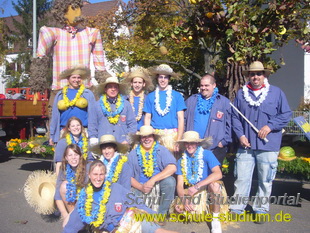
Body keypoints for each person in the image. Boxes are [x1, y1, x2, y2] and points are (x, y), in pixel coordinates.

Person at [230, 61, 292, 222]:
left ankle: (261, 208)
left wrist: (270, 126)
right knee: (241, 178)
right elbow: (235, 117)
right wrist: (241, 135)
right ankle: (237, 207)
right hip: (246, 145)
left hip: (268, 144)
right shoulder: (241, 94)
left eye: (259, 73)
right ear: (248, 76)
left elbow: (286, 114)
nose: (255, 77)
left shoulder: (277, 93)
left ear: (265, 75)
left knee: (265, 179)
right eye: (252, 74)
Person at [63, 160, 178, 233]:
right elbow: (73, 225)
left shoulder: (116, 188)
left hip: (130, 220)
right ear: (89, 175)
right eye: (95, 174)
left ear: (105, 175)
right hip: (110, 230)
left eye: (101, 174)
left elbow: (137, 202)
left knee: (159, 231)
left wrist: (153, 215)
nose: (98, 178)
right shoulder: (84, 197)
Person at [31, 0, 107, 91]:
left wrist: (105, 82)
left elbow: (100, 63)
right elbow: (41, 57)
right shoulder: (53, 33)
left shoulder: (91, 33)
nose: (78, 12)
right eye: (73, 8)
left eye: (79, 8)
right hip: (60, 88)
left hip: (85, 88)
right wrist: (37, 81)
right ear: (63, 12)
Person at [175, 131, 223, 233]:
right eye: (187, 143)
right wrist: (184, 201)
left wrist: (197, 186)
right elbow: (179, 185)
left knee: (215, 186)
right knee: (178, 210)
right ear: (184, 145)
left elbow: (218, 174)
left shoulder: (207, 154)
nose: (190, 146)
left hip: (206, 187)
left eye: (192, 143)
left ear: (197, 143)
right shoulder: (181, 160)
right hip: (192, 191)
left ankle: (215, 219)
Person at [127, 125, 177, 220]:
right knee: (132, 201)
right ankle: (143, 215)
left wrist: (153, 180)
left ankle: (161, 214)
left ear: (153, 137)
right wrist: (141, 187)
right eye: (143, 137)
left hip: (159, 185)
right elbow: (128, 177)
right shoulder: (133, 154)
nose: (147, 139)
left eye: (149, 136)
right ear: (140, 139)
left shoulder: (161, 150)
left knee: (170, 182)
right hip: (141, 186)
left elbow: (172, 167)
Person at [184, 74, 232, 164]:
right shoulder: (191, 100)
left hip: (215, 148)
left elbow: (230, 124)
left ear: (214, 85)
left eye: (206, 85)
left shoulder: (223, 102)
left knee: (212, 176)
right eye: (201, 85)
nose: (203, 88)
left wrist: (223, 142)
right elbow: (183, 120)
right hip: (193, 146)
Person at [144, 64, 186, 152]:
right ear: (157, 78)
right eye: (160, 77)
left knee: (172, 164)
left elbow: (181, 118)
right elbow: (147, 118)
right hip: (156, 136)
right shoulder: (151, 96)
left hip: (172, 137)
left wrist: (178, 140)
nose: (163, 80)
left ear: (169, 79)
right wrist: (147, 136)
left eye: (165, 77)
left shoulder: (177, 96)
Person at [49, 65, 96, 145]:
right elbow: (55, 116)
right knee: (65, 156)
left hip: (83, 131)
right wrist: (52, 136)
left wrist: (93, 135)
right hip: (64, 130)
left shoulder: (88, 94)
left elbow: (93, 115)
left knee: (83, 155)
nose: (76, 80)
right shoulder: (60, 95)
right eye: (74, 77)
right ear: (68, 79)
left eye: (79, 78)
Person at [88, 76, 137, 145]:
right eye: (110, 87)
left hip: (122, 142)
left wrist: (127, 140)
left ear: (118, 89)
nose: (113, 89)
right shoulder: (96, 105)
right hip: (103, 144)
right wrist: (94, 140)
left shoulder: (126, 104)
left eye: (115, 87)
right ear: (105, 89)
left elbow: (132, 124)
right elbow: (92, 125)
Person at [55, 144, 87, 221]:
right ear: (66, 158)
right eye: (70, 155)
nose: (73, 157)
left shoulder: (87, 168)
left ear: (80, 156)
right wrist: (66, 216)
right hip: (73, 202)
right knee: (65, 186)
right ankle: (73, 217)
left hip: (87, 201)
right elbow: (57, 195)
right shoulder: (63, 169)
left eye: (76, 154)